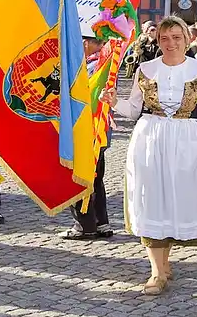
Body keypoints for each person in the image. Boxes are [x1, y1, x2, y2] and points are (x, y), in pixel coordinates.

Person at [101, 16, 197, 295]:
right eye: (164, 38)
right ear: (157, 41)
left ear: (187, 38)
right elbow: (134, 110)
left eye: (176, 37)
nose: (170, 43)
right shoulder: (145, 69)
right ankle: (157, 272)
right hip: (149, 138)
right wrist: (114, 102)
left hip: (185, 140)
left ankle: (165, 259)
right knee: (151, 199)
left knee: (174, 200)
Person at [61, 34, 112, 240]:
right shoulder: (106, 61)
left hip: (84, 129)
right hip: (99, 130)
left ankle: (84, 225)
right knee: (96, 177)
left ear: (84, 43)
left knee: (80, 176)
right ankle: (101, 223)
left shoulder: (88, 66)